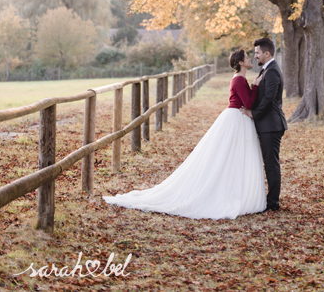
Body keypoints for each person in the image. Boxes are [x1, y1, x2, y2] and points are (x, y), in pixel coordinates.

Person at [103, 49, 266, 219]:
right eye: (247, 57)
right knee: (228, 155)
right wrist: (255, 86)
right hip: (237, 118)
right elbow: (248, 102)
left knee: (234, 156)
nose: (250, 58)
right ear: (240, 62)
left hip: (239, 118)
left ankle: (236, 191)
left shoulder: (240, 78)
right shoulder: (239, 79)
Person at [240, 37, 287, 212]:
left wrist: (253, 113)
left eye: (257, 53)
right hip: (267, 125)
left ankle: (273, 202)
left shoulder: (273, 71)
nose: (255, 57)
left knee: (271, 163)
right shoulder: (267, 70)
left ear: (267, 53)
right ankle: (270, 200)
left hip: (272, 125)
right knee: (269, 162)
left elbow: (269, 99)